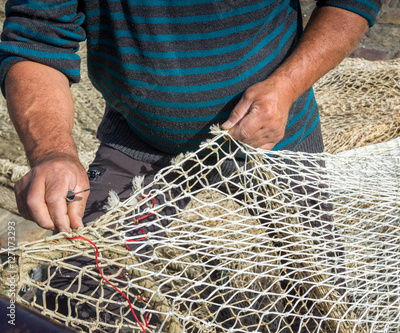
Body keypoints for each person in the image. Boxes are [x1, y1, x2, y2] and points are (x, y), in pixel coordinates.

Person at [0, 0, 380, 232]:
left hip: (275, 137)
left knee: (309, 294)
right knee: (83, 283)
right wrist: (53, 152)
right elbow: (36, 39)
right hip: (137, 140)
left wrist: (286, 87)